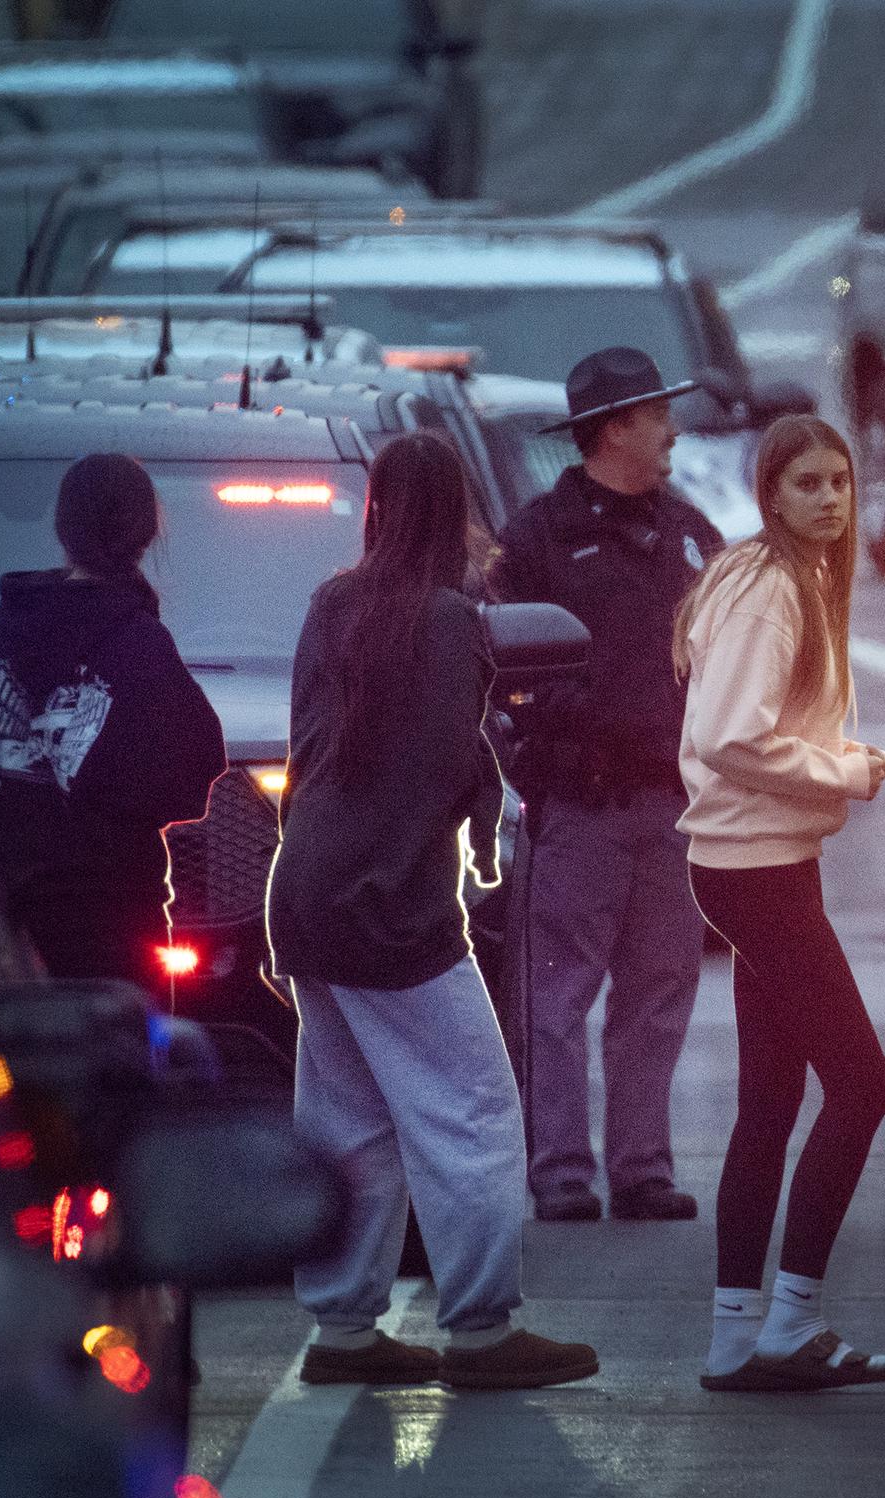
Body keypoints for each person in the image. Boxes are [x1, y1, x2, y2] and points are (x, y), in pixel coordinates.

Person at [268, 431, 597, 1390]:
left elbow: (310, 744)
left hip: (308, 891)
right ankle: (483, 1329)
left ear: (374, 507)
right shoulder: (452, 621)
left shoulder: (332, 603)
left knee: (348, 1118)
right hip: (389, 903)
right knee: (477, 1110)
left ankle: (343, 1330)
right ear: (453, 509)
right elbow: (451, 758)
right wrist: (490, 807)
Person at [675, 415, 885, 1391]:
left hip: (758, 860)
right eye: (806, 483)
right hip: (754, 866)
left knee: (771, 1097)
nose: (828, 498)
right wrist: (845, 767)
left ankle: (741, 1336)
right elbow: (730, 732)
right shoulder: (770, 589)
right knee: (863, 1085)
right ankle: (790, 1319)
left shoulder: (775, 576)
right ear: (769, 494)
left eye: (841, 482)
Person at [499, 347, 724, 1224]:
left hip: (673, 809)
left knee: (660, 993)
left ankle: (641, 1168)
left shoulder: (693, 534)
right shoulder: (537, 540)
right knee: (556, 999)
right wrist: (569, 740)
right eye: (656, 414)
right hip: (581, 809)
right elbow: (506, 676)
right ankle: (559, 1171)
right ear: (616, 428)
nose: (671, 429)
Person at [0, 452, 225, 987]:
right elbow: (191, 776)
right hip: (114, 934)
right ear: (144, 536)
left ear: (63, 529)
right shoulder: (139, 643)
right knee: (125, 1068)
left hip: (5, 932)